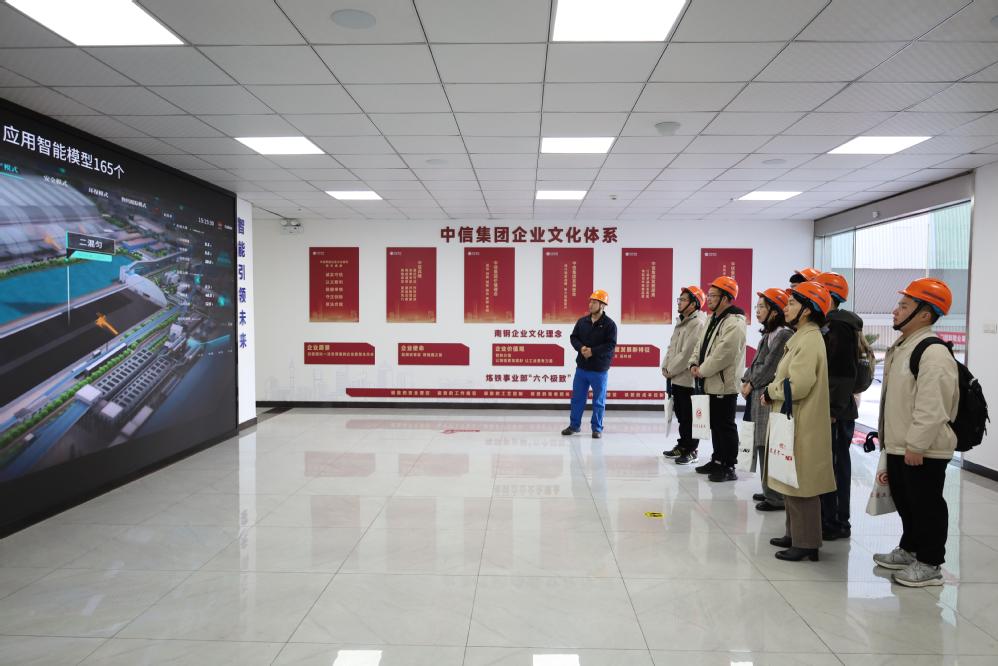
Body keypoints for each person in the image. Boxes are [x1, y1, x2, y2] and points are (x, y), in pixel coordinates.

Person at [872, 278, 958, 587]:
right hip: (901, 443)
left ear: (925, 314)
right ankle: (910, 549)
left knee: (926, 505)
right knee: (907, 501)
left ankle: (931, 563)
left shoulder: (932, 352)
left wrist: (917, 445)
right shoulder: (904, 345)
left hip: (923, 448)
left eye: (904, 306)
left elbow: (932, 406)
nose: (895, 311)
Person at [763, 281, 835, 562]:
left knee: (802, 482)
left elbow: (799, 385)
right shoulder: (802, 337)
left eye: (792, 303)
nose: (786, 307)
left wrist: (771, 391)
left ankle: (806, 543)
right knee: (791, 478)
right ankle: (794, 534)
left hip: (803, 421)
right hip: (794, 418)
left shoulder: (809, 339)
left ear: (807, 310)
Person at [815, 271, 864, 541]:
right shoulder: (830, 324)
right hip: (833, 409)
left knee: (835, 466)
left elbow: (843, 372)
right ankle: (827, 517)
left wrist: (832, 409)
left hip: (837, 412)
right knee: (830, 464)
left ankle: (836, 521)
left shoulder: (839, 326)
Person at [689, 276, 747, 482]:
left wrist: (702, 371)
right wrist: (693, 363)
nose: (709, 299)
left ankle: (729, 466)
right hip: (709, 381)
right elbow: (700, 345)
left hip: (723, 384)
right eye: (710, 295)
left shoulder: (735, 322)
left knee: (725, 425)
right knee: (715, 424)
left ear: (726, 298)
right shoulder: (712, 318)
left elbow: (724, 354)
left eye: (713, 295)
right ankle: (717, 460)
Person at [742, 288, 794, 511]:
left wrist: (751, 383)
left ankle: (776, 497)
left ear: (774, 311)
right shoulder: (768, 335)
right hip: (759, 394)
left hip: (768, 396)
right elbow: (756, 363)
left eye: (762, 307)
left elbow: (770, 366)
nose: (757, 311)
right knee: (762, 443)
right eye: (757, 307)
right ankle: (768, 491)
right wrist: (746, 380)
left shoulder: (783, 334)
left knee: (769, 445)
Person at [562, 289, 618, 439]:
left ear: (602, 305)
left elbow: (611, 345)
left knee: (598, 401)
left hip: (599, 369)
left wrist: (593, 351)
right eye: (590, 301)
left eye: (594, 302)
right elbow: (574, 337)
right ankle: (574, 426)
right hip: (582, 368)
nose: (591, 304)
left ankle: (597, 428)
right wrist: (581, 348)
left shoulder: (610, 325)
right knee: (577, 399)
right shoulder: (582, 322)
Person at [662, 286, 708, 464]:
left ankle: (691, 450)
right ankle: (682, 445)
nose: (679, 302)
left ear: (694, 303)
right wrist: (665, 366)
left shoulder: (697, 323)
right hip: (677, 377)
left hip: (688, 380)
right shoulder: (682, 321)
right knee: (681, 416)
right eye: (679, 299)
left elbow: (687, 353)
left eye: (683, 300)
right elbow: (672, 347)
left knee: (689, 417)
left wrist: (670, 370)